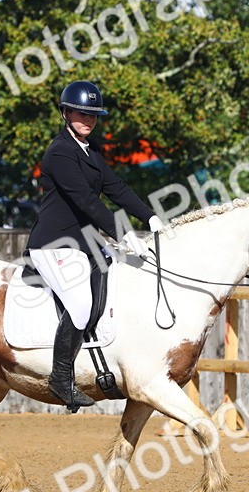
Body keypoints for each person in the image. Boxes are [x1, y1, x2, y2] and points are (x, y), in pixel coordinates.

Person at [26, 80, 164, 411]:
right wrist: (123, 232)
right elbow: (87, 201)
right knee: (80, 304)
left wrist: (151, 218)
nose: (88, 120)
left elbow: (117, 188)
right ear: (65, 113)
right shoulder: (60, 153)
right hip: (54, 244)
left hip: (85, 243)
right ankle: (60, 379)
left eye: (93, 115)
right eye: (81, 113)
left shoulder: (91, 150)